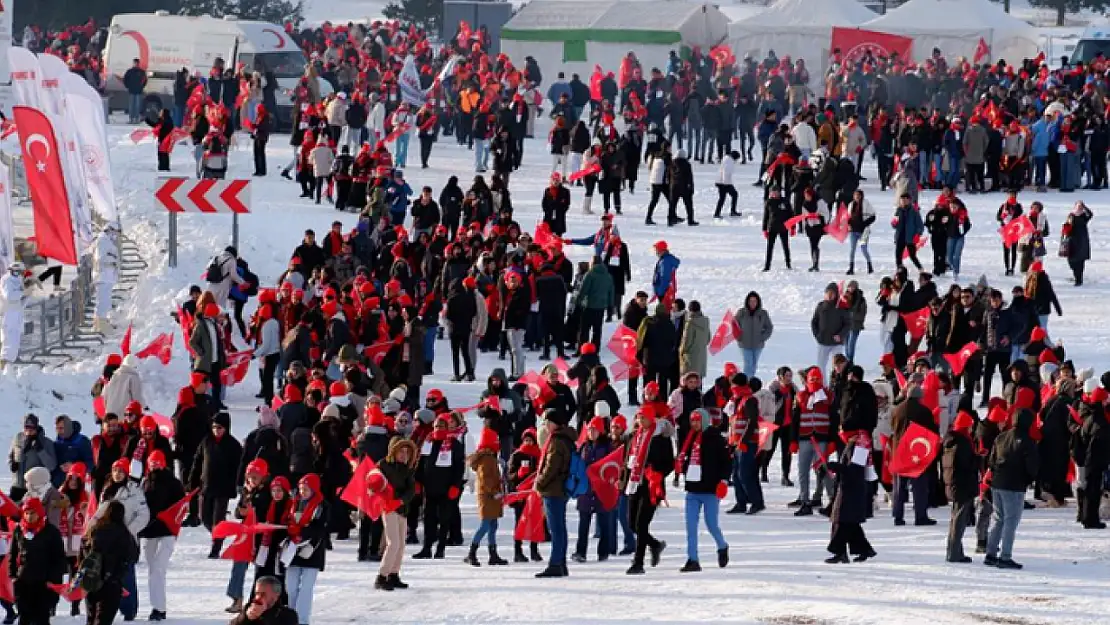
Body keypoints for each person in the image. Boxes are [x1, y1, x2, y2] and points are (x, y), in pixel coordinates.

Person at [985, 408, 1039, 569]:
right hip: (1014, 485)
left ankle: (991, 553)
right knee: (1010, 521)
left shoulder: (1001, 437)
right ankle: (1005, 556)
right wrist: (1029, 479)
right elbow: (1032, 466)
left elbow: (991, 460)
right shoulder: (1027, 441)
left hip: (997, 482)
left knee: (998, 518)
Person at [622, 411, 674, 575]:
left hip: (651, 485)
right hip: (635, 482)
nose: (639, 420)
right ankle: (655, 545)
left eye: (643, 417)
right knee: (631, 523)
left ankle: (638, 562)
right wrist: (623, 480)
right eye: (638, 417)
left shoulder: (660, 438)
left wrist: (657, 473)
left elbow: (669, 463)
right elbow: (626, 461)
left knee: (641, 523)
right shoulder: (634, 436)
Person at [678, 409, 730, 571]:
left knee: (711, 524)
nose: (694, 424)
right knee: (691, 526)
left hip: (710, 489)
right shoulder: (689, 437)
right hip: (693, 489)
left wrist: (723, 480)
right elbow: (685, 457)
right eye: (692, 420)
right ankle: (692, 559)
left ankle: (722, 546)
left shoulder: (716, 438)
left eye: (697, 420)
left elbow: (726, 462)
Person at [188, 412, 242, 558]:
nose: (216, 430)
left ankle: (216, 547)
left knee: (218, 520)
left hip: (223, 489)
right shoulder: (206, 441)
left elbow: (238, 468)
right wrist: (192, 481)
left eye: (219, 428)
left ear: (226, 428)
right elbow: (197, 461)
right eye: (214, 427)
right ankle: (218, 535)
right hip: (206, 486)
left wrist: (235, 485)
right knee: (204, 517)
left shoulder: (234, 445)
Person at [139, 450, 184, 621]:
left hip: (167, 531)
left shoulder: (173, 483)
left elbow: (181, 506)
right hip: (149, 531)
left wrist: (173, 523)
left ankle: (159, 607)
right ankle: (156, 606)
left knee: (158, 567)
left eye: (157, 462)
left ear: (164, 463)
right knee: (153, 570)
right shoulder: (144, 482)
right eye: (152, 463)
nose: (154, 465)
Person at [84, 500, 141, 625]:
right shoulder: (125, 534)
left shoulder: (95, 530)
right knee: (104, 619)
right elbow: (132, 556)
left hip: (92, 580)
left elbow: (84, 551)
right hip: (112, 582)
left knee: (91, 618)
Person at [10, 498, 65, 625]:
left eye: (33, 513)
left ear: (40, 513)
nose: (29, 516)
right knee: (24, 617)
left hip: (44, 583)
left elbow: (59, 559)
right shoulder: (19, 530)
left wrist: (53, 580)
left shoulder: (51, 532)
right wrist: (13, 576)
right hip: (23, 581)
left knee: (41, 619)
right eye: (27, 513)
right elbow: (13, 555)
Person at [824, 436, 877, 563]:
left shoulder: (860, 444)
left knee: (843, 521)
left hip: (853, 490)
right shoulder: (853, 443)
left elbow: (855, 471)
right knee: (850, 523)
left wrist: (837, 467)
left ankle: (839, 551)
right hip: (849, 488)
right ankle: (864, 549)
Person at [535, 409, 574, 578]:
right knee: (560, 528)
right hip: (560, 488)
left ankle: (556, 563)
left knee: (556, 528)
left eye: (547, 422)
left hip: (553, 488)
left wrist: (539, 482)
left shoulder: (557, 441)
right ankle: (561, 563)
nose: (545, 426)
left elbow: (551, 467)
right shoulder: (566, 438)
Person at [284, 474, 329, 623]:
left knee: (305, 589)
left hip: (312, 550)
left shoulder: (322, 505)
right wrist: (290, 530)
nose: (303, 492)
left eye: (306, 489)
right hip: (293, 550)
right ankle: (291, 616)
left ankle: (302, 619)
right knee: (291, 587)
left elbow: (319, 528)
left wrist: (301, 532)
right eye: (301, 489)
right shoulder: (293, 503)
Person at [377, 438, 417, 589]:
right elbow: (375, 484)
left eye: (407, 452)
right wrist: (387, 500)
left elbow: (411, 490)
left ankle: (394, 573)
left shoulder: (407, 469)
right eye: (401, 451)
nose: (404, 455)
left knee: (401, 544)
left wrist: (400, 501)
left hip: (401, 509)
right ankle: (382, 576)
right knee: (393, 543)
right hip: (388, 508)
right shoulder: (383, 465)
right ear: (393, 450)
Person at [465, 428, 508, 567]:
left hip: (491, 496)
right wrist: (495, 491)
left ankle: (493, 553)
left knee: (493, 525)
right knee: (485, 525)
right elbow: (485, 479)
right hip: (488, 497)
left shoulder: (490, 458)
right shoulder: (487, 459)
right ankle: (472, 552)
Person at [942, 411, 978, 563]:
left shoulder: (950, 441)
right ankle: (954, 553)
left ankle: (954, 551)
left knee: (955, 519)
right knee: (959, 521)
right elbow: (966, 466)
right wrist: (978, 458)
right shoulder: (962, 443)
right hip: (962, 485)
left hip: (953, 484)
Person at [812, 284, 848, 378]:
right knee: (821, 366)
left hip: (837, 343)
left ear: (836, 294)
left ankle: (837, 385)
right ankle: (824, 387)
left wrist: (840, 335)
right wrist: (817, 335)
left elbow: (848, 324)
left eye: (832, 293)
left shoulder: (841, 307)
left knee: (838, 365)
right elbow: (814, 322)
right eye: (828, 293)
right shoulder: (821, 306)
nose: (830, 295)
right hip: (823, 341)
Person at [229, 576, 298, 625]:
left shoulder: (288, 614)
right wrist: (245, 618)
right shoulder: (248, 607)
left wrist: (263, 617)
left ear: (275, 596)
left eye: (263, 594)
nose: (258, 597)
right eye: (256, 593)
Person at [735, 292, 773, 378]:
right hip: (744, 344)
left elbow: (769, 327)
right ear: (747, 302)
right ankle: (746, 383)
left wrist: (762, 337)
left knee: (754, 365)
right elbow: (734, 326)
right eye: (750, 301)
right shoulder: (741, 313)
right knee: (748, 364)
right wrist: (739, 337)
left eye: (754, 301)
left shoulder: (763, 313)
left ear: (758, 302)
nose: (752, 303)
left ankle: (750, 382)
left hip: (758, 345)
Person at [93, 223, 121, 334]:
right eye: (115, 232)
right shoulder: (103, 241)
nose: (116, 235)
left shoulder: (106, 241)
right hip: (103, 275)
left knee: (105, 300)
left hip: (107, 275)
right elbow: (101, 258)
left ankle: (101, 323)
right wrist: (113, 262)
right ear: (110, 230)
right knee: (103, 301)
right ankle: (101, 325)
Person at [0, 262, 25, 366]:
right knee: (8, 340)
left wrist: (26, 295)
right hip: (8, 314)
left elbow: (20, 299)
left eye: (19, 272)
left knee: (14, 340)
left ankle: (9, 365)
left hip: (16, 313)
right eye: (15, 271)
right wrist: (22, 293)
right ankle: (3, 365)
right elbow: (9, 296)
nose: (17, 274)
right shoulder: (7, 280)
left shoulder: (18, 280)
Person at [1062, 201, 1093, 286]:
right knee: (1071, 261)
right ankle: (1076, 275)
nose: (1079, 208)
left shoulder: (1084, 216)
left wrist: (1085, 207)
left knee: (1080, 261)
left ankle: (1078, 279)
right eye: (1078, 206)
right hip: (1071, 240)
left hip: (1082, 241)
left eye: (1081, 206)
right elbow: (1066, 226)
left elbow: (1090, 214)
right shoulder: (1071, 215)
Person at [123, 58, 147, 124]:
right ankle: (131, 119)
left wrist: (141, 87)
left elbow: (145, 81)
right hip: (131, 91)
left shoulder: (142, 72)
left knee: (137, 106)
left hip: (138, 91)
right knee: (131, 105)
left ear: (138, 63)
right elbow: (125, 80)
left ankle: (136, 119)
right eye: (134, 63)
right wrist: (128, 86)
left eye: (136, 63)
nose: (135, 64)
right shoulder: (129, 71)